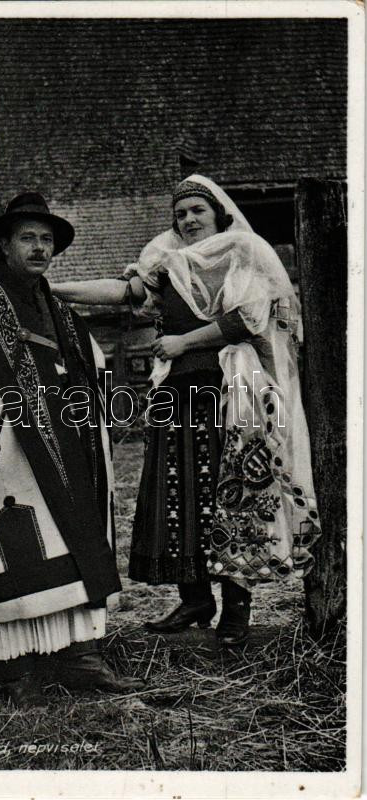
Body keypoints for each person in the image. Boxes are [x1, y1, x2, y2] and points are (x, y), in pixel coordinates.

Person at [51, 174, 321, 647]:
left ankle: (236, 606)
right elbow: (125, 292)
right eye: (181, 214)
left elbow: (247, 318)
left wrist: (182, 342)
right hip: (176, 392)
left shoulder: (242, 251)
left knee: (231, 491)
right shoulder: (168, 259)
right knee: (177, 492)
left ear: (219, 213)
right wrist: (53, 288)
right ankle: (195, 598)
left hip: (228, 389)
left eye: (198, 210)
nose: (189, 220)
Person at [0, 192, 144, 706]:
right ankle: (16, 667)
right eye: (28, 238)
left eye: (47, 240)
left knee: (73, 543)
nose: (39, 248)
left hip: (67, 447)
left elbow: (92, 366)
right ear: (4, 246)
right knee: (11, 550)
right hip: (4, 451)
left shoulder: (62, 313)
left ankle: (80, 656)